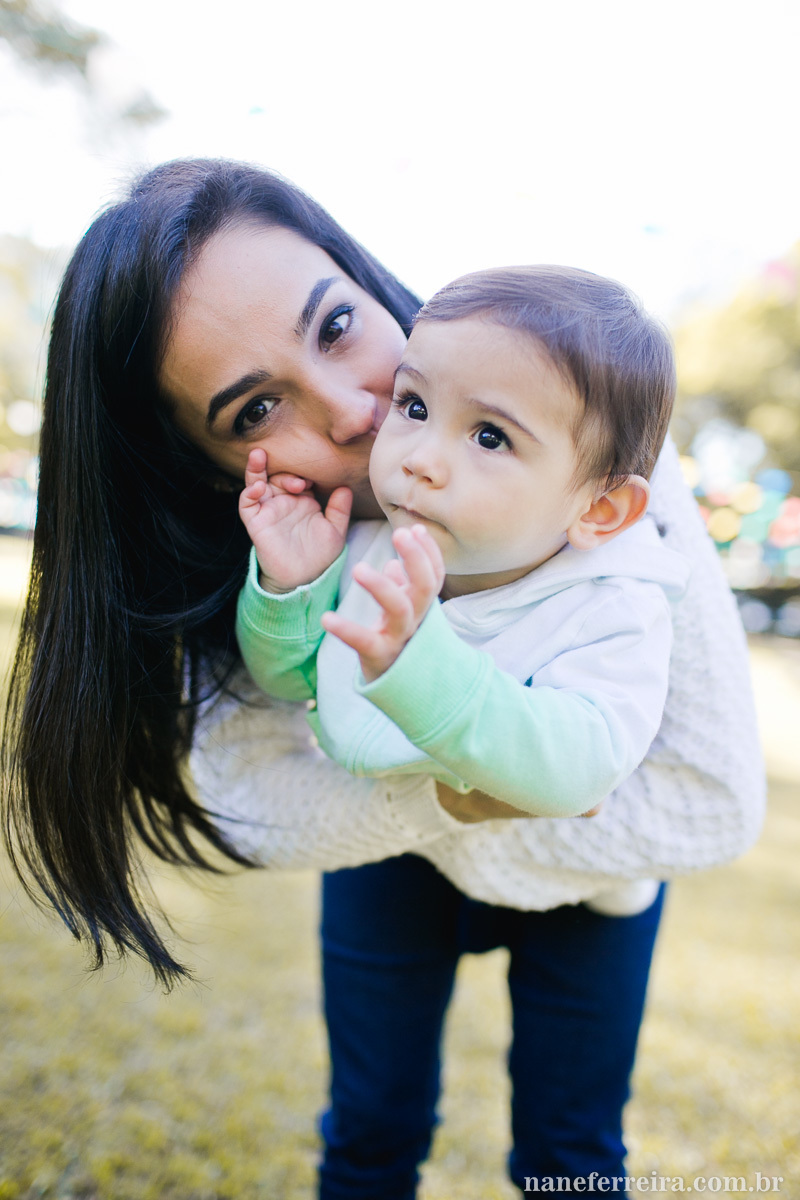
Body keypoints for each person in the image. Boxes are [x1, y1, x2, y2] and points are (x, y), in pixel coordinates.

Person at [1, 159, 765, 1197]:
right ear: (203, 469)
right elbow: (269, 741)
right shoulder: (331, 532)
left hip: (597, 884)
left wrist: (444, 724)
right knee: (368, 1130)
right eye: (254, 410)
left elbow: (709, 799)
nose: (359, 413)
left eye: (335, 326)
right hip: (384, 872)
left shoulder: (595, 448)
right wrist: (289, 592)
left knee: (572, 1149)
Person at [234, 265, 689, 857]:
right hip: (384, 842)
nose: (420, 458)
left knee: (605, 910)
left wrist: (423, 671)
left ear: (599, 509)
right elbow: (288, 682)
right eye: (414, 406)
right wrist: (294, 585)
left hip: (557, 866)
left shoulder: (612, 606)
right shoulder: (373, 546)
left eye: (490, 437)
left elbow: (585, 768)